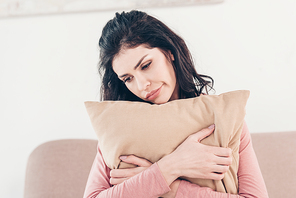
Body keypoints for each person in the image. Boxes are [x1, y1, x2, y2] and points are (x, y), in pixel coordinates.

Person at [83, 10, 269, 198]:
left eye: (146, 65)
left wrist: (169, 187)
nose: (142, 85)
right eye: (128, 78)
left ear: (169, 52)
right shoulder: (120, 127)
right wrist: (172, 166)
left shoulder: (223, 117)